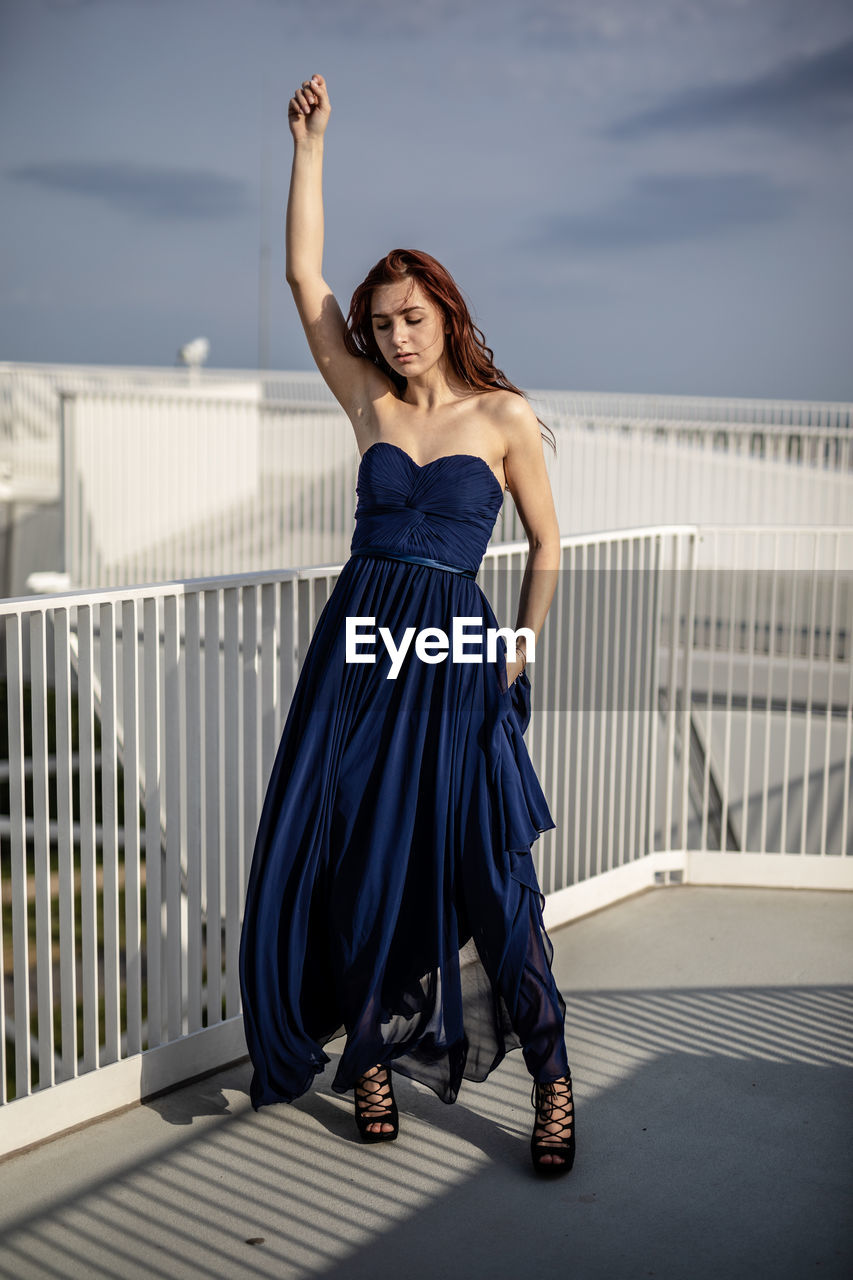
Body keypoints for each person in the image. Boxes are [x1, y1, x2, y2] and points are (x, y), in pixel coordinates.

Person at [238, 72, 575, 1175]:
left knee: (489, 865)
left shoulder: (503, 415)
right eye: (380, 324)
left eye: (411, 318)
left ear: (447, 314)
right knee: (349, 852)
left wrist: (513, 649)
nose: (394, 336)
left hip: (452, 648)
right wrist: (311, 147)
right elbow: (300, 274)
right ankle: (368, 1057)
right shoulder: (366, 401)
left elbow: (546, 546)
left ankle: (551, 1074)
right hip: (357, 646)